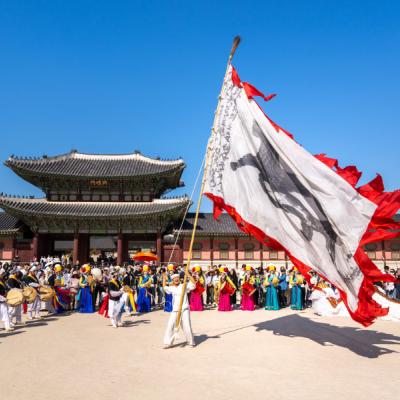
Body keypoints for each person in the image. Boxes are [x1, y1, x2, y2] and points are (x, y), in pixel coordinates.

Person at [162, 272, 196, 348]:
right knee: (170, 325)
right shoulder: (171, 288)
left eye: (177, 278)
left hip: (184, 308)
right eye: (174, 279)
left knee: (186, 325)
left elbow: (193, 285)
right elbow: (164, 288)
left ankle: (191, 342)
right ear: (172, 280)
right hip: (175, 309)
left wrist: (189, 275)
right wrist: (164, 279)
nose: (176, 279)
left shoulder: (183, 286)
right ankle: (168, 342)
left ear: (179, 279)